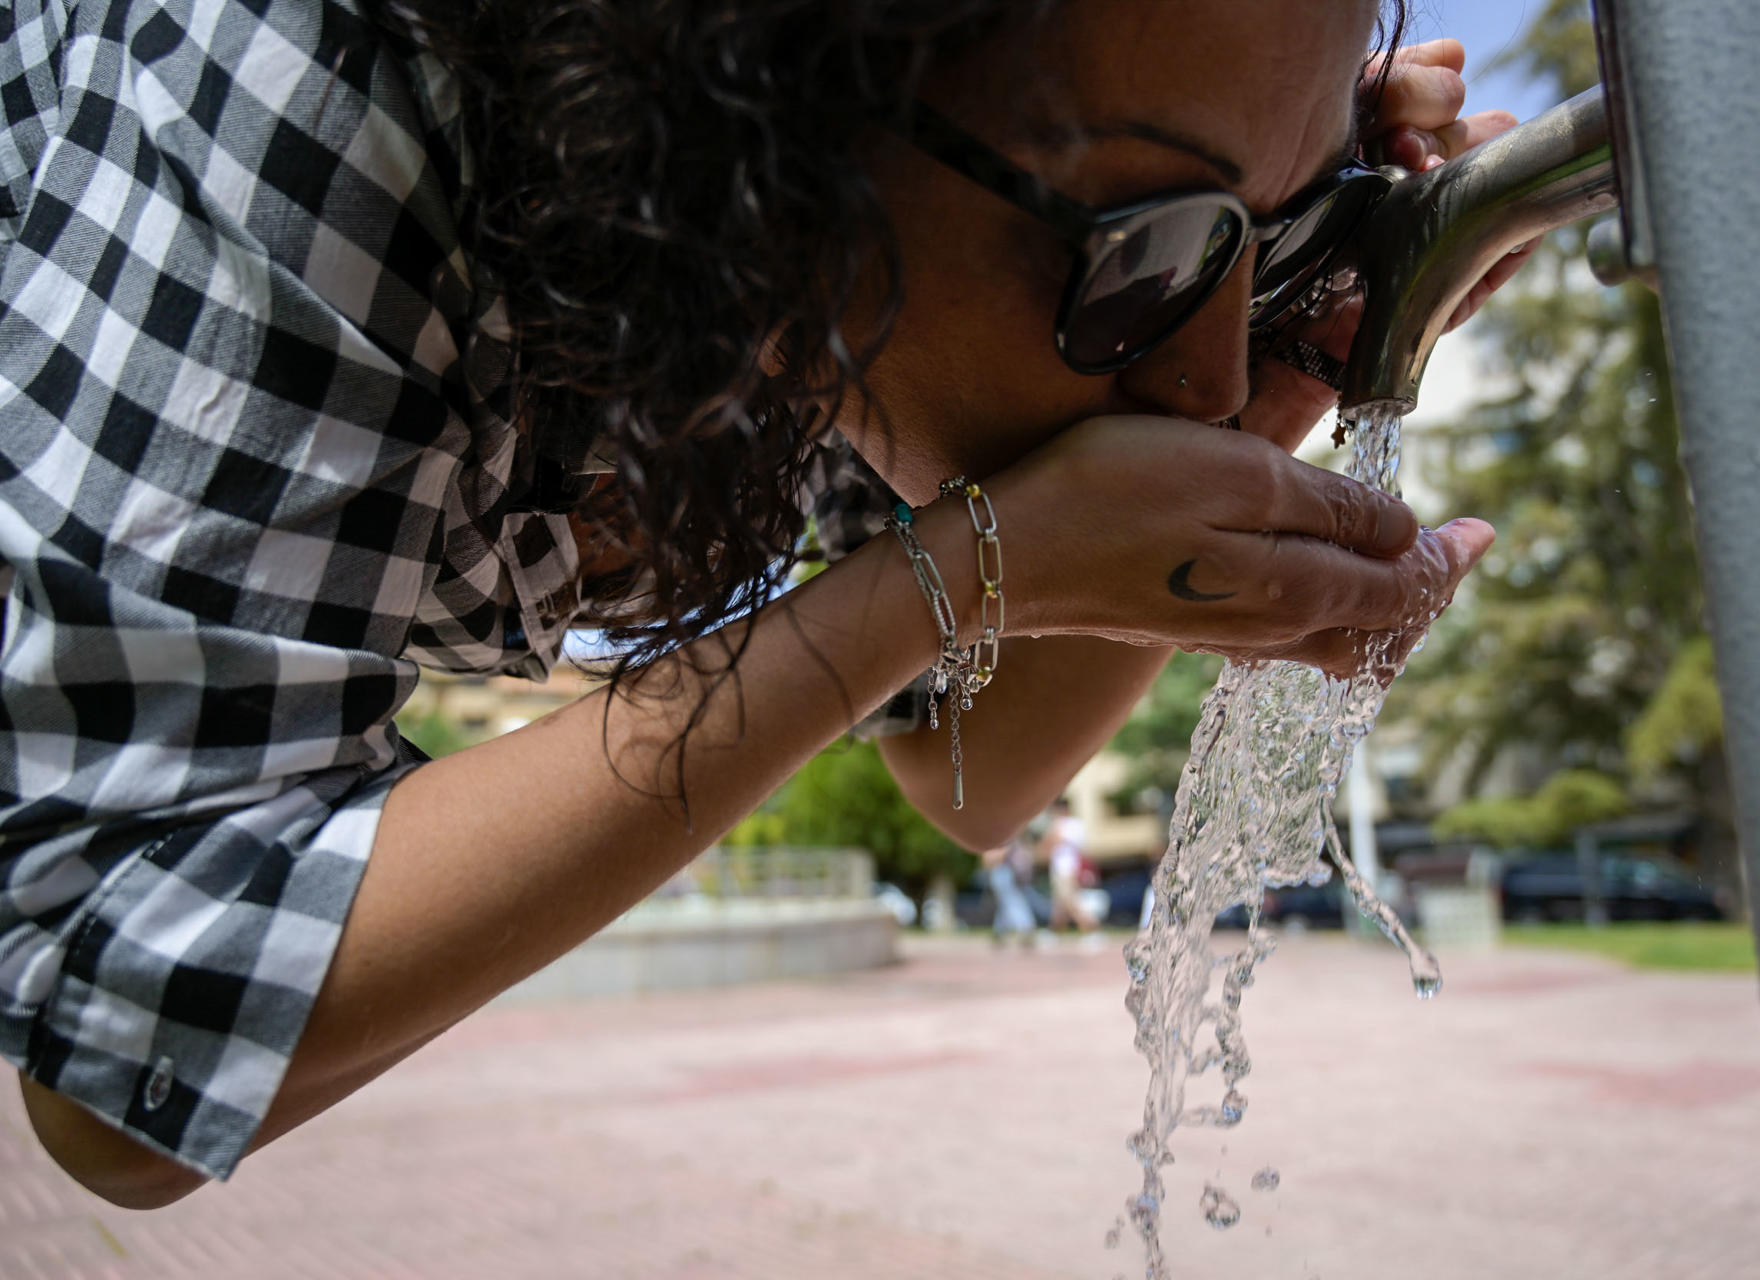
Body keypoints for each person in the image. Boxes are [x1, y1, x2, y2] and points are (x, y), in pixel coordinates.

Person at [2, 0, 1527, 1207]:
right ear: (795, 97)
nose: (1194, 365)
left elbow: (970, 775)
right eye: (1146, 250)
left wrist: (1266, 403)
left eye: (1274, 227)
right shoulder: (310, 64)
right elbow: (127, 1030)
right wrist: (935, 583)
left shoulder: (824, 252)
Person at [1038, 798, 1098, 934]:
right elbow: (1046, 845)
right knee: (1059, 904)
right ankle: (1054, 930)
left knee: (1070, 901)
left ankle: (1091, 927)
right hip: (1057, 868)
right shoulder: (1057, 824)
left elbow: (1056, 841)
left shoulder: (1072, 825)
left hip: (1068, 869)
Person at [980, 838, 1038, 946]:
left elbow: (994, 857)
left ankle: (1023, 929)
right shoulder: (1003, 835)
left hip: (1003, 871)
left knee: (1010, 902)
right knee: (1007, 903)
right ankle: (1003, 932)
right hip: (1002, 872)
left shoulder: (1002, 837)